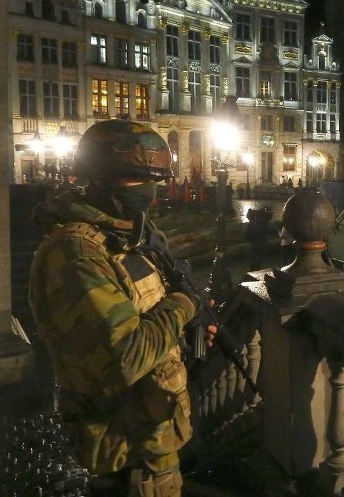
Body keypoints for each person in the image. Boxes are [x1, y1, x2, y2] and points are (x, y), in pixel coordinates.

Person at [28, 120, 212, 497]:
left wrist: (186, 333)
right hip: (126, 458)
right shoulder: (76, 252)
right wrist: (185, 305)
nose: (149, 191)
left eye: (155, 181)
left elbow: (145, 315)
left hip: (154, 443)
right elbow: (125, 357)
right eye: (134, 179)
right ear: (99, 179)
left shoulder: (127, 237)